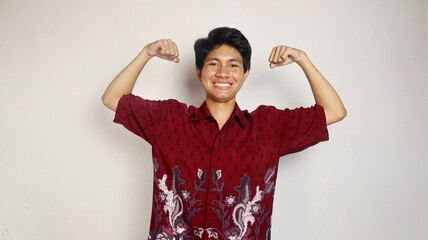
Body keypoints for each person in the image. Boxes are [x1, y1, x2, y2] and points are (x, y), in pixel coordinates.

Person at [102, 27, 346, 240]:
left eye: (233, 65)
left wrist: (303, 59)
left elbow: (334, 111)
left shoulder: (268, 126)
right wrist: (147, 53)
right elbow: (112, 98)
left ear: (245, 74)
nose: (223, 73)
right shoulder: (168, 119)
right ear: (199, 72)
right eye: (213, 63)